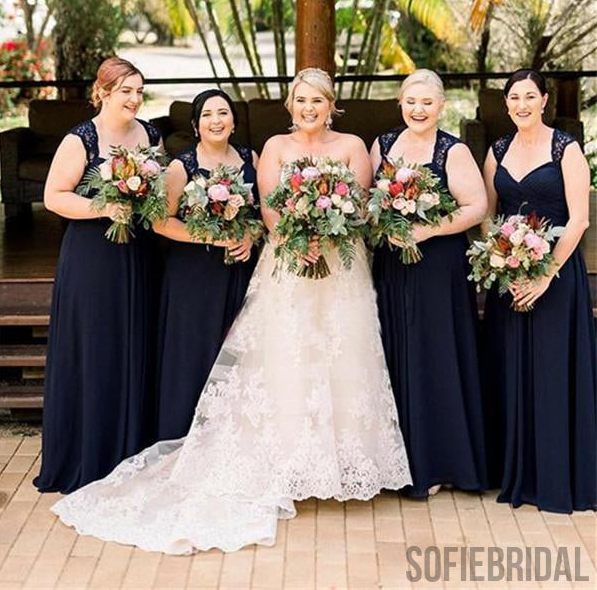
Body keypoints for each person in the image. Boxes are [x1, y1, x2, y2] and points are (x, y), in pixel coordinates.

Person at [50, 67, 412, 553]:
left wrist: (328, 233)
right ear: (290, 106)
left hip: (340, 268)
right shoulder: (269, 151)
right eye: (301, 101)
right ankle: (286, 461)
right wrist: (289, 235)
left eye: (317, 101)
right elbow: (267, 207)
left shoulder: (347, 147)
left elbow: (363, 202)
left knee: (343, 358)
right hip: (286, 262)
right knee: (283, 359)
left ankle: (341, 464)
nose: (309, 108)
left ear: (331, 105)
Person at [34, 57, 161, 493]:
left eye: (139, 91)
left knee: (134, 345)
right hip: (92, 258)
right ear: (103, 92)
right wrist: (103, 207)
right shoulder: (81, 139)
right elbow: (54, 197)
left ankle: (131, 450)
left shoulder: (150, 135)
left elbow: (157, 190)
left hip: (138, 254)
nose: (134, 99)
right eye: (126, 90)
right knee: (97, 349)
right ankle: (91, 454)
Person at [481, 69, 596, 513]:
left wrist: (545, 272)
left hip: (557, 274)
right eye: (514, 97)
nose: (522, 104)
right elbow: (490, 215)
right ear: (506, 103)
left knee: (551, 373)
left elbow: (580, 219)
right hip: (508, 275)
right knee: (510, 370)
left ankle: (555, 477)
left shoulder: (566, 150)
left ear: (544, 100)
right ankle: (515, 472)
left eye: (530, 96)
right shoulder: (497, 151)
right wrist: (503, 259)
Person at [371, 69, 488, 498]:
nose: (418, 110)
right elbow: (367, 199)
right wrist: (383, 222)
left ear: (440, 106)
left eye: (426, 103)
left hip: (437, 266)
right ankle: (401, 464)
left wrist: (428, 229)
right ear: (400, 103)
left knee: (436, 355)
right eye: (411, 102)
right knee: (397, 352)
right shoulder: (383, 145)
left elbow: (477, 206)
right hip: (393, 263)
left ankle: (442, 462)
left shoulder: (451, 151)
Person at [153, 89, 258, 441]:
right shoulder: (182, 165)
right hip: (193, 275)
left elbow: (262, 213)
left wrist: (250, 236)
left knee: (236, 354)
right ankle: (182, 436)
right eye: (208, 115)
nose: (216, 120)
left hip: (240, 271)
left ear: (233, 121)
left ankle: (228, 440)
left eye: (223, 113)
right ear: (196, 125)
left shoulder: (249, 157)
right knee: (193, 352)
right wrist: (211, 238)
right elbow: (161, 222)